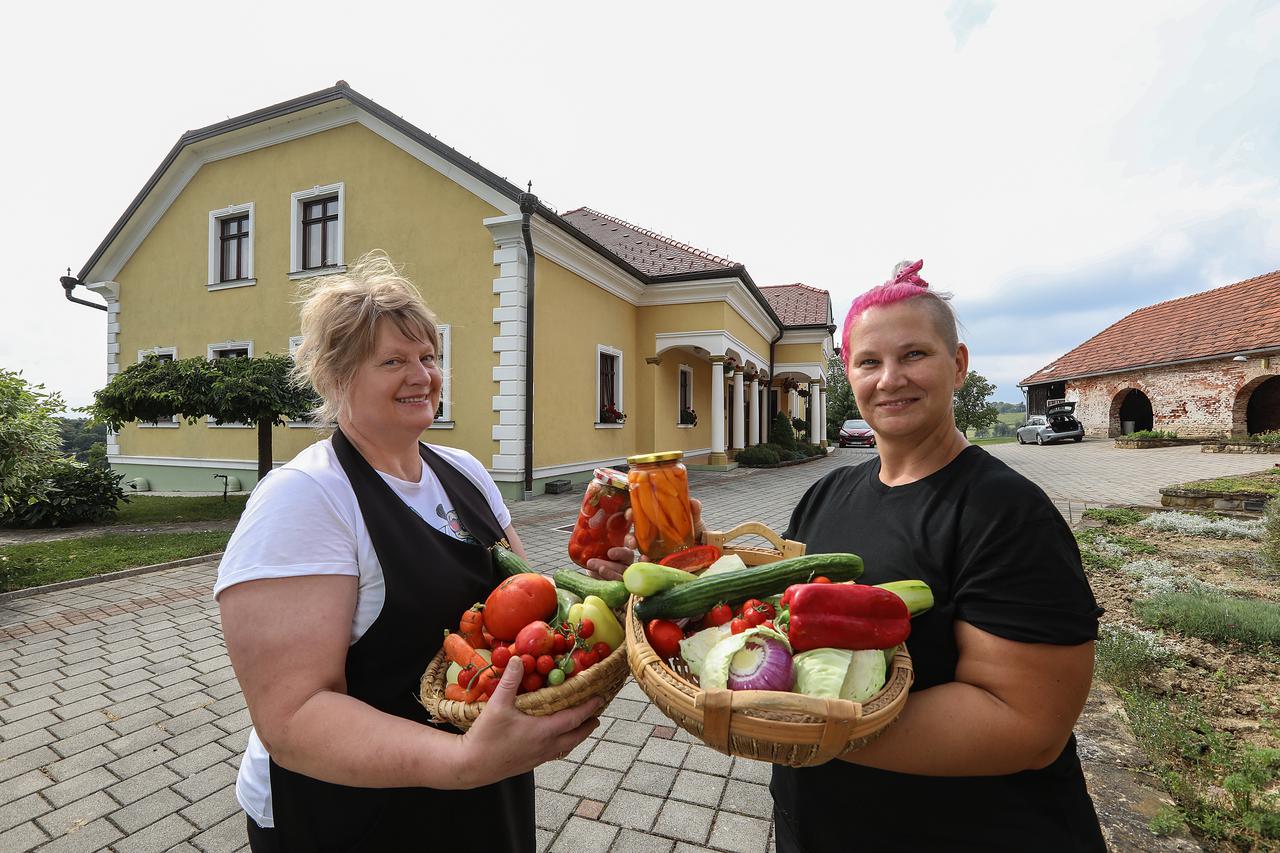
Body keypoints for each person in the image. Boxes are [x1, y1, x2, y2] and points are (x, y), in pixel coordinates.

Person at [589, 260, 1104, 852]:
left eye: (914, 355)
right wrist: (687, 554)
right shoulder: (828, 494)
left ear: (958, 364)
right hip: (821, 824)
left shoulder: (1007, 514)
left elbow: (1027, 725)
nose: (890, 379)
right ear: (847, 374)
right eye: (869, 362)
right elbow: (777, 616)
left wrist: (800, 733)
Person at [215, 253, 599, 853]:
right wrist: (461, 760)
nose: (421, 375)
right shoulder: (305, 498)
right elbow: (292, 718)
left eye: (428, 357)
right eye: (393, 361)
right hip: (350, 809)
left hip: (479, 785)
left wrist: (619, 582)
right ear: (336, 377)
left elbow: (532, 612)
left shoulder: (464, 472)